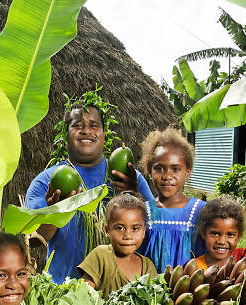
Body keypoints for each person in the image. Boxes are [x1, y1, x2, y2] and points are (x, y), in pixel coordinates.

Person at [25, 98, 155, 283]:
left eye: (94, 125)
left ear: (104, 133)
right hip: (65, 290)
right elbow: (37, 239)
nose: (86, 130)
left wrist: (135, 195)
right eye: (78, 125)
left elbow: (153, 228)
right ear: (65, 134)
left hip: (120, 293)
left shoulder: (127, 177)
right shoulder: (47, 181)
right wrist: (53, 213)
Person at [139, 127, 206, 271]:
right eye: (159, 169)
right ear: (149, 171)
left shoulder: (202, 211)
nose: (167, 176)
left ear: (187, 172)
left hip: (191, 290)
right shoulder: (143, 211)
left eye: (175, 169)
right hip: (150, 289)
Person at [78, 192, 157, 298]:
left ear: (143, 231)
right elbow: (81, 297)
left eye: (135, 228)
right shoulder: (101, 256)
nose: (128, 236)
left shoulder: (148, 266)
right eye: (120, 228)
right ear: (107, 230)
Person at [190, 196, 246, 270]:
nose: (222, 241)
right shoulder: (195, 267)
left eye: (230, 235)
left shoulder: (245, 256)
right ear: (203, 233)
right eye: (215, 234)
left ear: (239, 235)